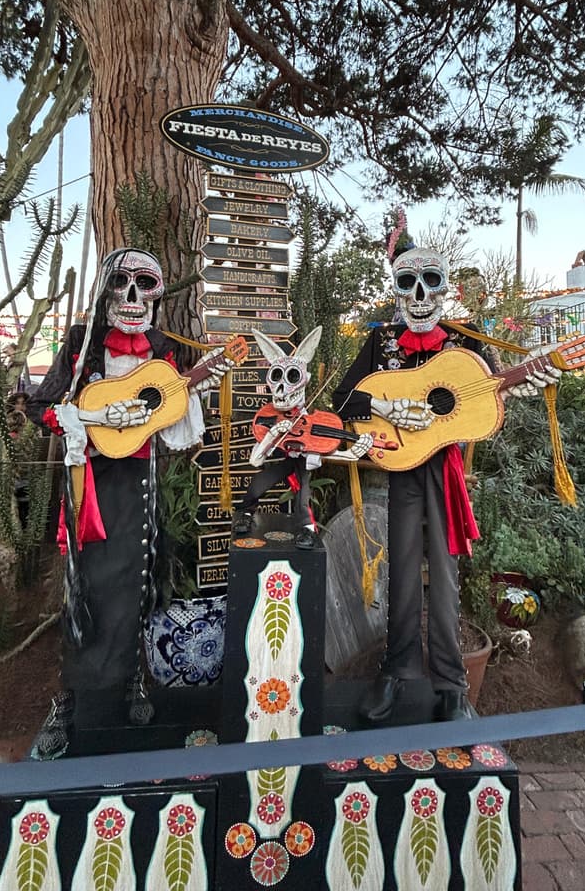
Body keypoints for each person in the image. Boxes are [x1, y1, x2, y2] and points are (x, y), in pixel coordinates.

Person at [333, 245, 560, 724]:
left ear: (446, 286)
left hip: (445, 469)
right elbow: (343, 401)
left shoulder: (467, 343)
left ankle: (452, 684)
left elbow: (488, 401)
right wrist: (388, 409)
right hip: (400, 463)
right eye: (406, 282)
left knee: (446, 574)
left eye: (430, 280)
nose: (418, 295)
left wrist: (519, 383)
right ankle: (396, 671)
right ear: (395, 289)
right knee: (401, 567)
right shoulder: (381, 342)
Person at [27, 247, 231, 759]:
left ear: (158, 295)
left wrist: (198, 387)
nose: (134, 296)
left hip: (140, 476)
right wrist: (90, 420)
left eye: (147, 283)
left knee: (136, 582)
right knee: (85, 588)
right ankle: (68, 699)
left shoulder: (161, 350)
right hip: (92, 483)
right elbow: (40, 405)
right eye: (122, 282)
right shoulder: (83, 343)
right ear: (105, 289)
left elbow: (170, 406)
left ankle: (129, 680)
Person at [232, 327, 373, 548]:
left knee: (303, 494)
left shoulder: (313, 420)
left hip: (304, 460)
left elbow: (325, 447)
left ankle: (306, 530)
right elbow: (256, 460)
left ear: (304, 380)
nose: (282, 389)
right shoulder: (271, 418)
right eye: (277, 378)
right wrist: (274, 432)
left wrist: (351, 453)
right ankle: (245, 512)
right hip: (287, 458)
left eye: (292, 378)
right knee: (258, 484)